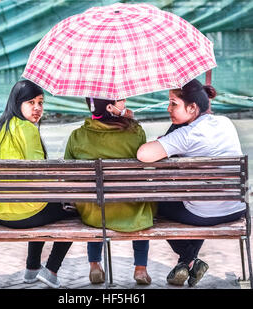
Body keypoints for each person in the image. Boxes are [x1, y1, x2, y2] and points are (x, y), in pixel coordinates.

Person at [137, 79, 246, 288]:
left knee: (153, 205)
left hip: (204, 215)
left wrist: (172, 132)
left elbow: (143, 154)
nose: (168, 109)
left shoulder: (186, 135)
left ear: (192, 107)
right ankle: (186, 262)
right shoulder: (225, 122)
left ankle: (188, 259)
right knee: (196, 201)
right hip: (235, 208)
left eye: (173, 103)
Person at [0, 79, 77, 289]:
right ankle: (51, 270)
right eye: (31, 102)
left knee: (42, 202)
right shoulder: (26, 129)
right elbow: (42, 174)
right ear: (17, 103)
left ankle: (32, 269)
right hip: (21, 215)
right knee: (77, 210)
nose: (37, 108)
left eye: (40, 102)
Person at [64, 97, 156, 285]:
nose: (126, 103)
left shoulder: (77, 136)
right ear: (110, 107)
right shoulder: (136, 132)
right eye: (121, 101)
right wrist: (132, 120)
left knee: (96, 199)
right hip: (132, 210)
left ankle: (95, 265)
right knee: (143, 203)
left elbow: (68, 176)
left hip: (94, 213)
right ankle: (140, 268)